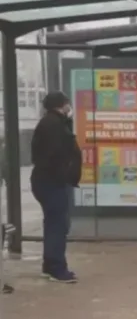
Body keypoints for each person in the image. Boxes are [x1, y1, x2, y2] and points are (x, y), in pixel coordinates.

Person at [30, 91, 82, 283]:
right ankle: (56, 268)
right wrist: (64, 174)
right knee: (57, 225)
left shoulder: (53, 122)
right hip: (52, 182)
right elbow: (54, 155)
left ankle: (51, 264)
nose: (70, 108)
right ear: (62, 105)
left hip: (49, 181)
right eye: (68, 104)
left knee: (55, 223)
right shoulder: (53, 125)